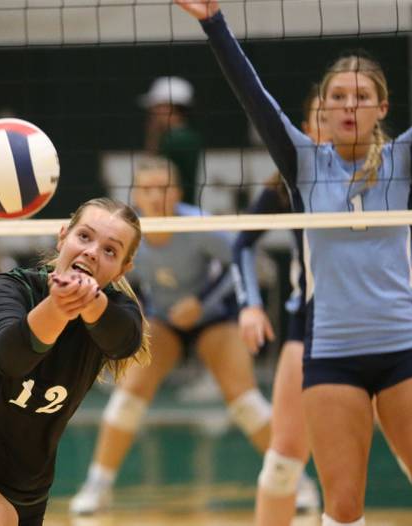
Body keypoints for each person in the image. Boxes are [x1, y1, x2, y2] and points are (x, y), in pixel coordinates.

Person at [175, 1, 412, 525]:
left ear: (382, 107)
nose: (349, 105)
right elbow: (253, 96)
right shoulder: (301, 163)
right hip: (332, 352)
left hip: (404, 347)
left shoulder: (406, 159)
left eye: (362, 97)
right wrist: (213, 21)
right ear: (322, 107)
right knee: (342, 508)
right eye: (338, 96)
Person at [234, 87, 412, 525]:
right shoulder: (289, 183)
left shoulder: (382, 172)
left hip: (389, 327)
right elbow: (241, 244)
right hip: (313, 327)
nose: (338, 118)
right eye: (324, 114)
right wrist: (249, 304)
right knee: (284, 461)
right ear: (305, 129)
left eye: (349, 107)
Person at [0, 197, 149, 526]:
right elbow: (10, 358)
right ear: (63, 237)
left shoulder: (117, 312)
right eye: (85, 237)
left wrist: (88, 303)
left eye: (110, 251)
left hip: (28, 490)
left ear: (123, 268)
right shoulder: (11, 288)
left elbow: (124, 342)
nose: (92, 251)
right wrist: (58, 308)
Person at [70, 156, 281, 515]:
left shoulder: (199, 225)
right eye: (148, 189)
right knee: (130, 393)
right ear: (136, 194)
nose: (156, 196)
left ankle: (291, 481)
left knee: (243, 399)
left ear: (178, 192)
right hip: (163, 319)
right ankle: (98, 486)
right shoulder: (127, 231)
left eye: (164, 188)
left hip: (215, 316)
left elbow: (243, 262)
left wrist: (202, 302)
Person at [140, 76, 204, 204]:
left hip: (174, 210)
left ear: (169, 108)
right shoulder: (186, 136)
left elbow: (151, 173)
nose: (152, 112)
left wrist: (153, 136)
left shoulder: (175, 140)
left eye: (156, 107)